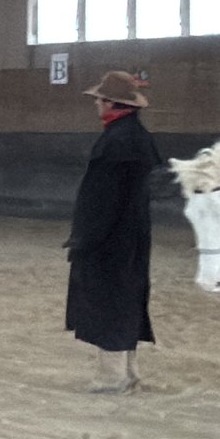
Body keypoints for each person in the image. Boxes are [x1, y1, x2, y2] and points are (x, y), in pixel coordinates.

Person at [65, 70, 164, 394]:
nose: (96, 104)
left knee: (107, 301)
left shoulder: (115, 142)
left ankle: (112, 376)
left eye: (98, 99)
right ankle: (128, 371)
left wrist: (85, 238)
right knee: (128, 298)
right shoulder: (139, 138)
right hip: (133, 234)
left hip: (109, 239)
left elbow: (102, 199)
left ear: (110, 103)